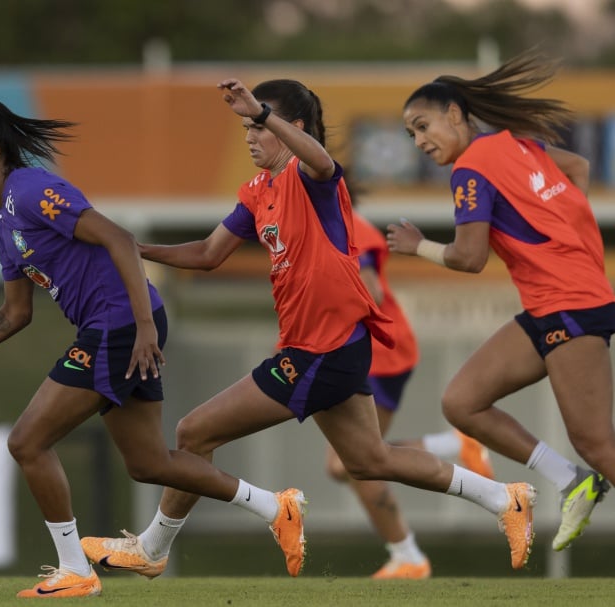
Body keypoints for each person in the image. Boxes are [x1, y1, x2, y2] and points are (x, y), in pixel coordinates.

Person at [81, 78, 537, 578]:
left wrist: (261, 113)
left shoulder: (312, 177)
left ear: (291, 127)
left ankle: (154, 548)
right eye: (245, 128)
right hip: (323, 349)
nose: (250, 137)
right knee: (369, 461)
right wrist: (132, 248)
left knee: (193, 432)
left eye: (258, 126)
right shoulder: (257, 192)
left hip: (322, 349)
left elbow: (322, 160)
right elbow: (208, 254)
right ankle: (503, 498)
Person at [0, 98, 306, 598]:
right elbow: (17, 313)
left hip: (118, 324)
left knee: (27, 442)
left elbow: (119, 238)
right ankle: (277, 509)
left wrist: (143, 325)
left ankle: (74, 569)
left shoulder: (30, 189)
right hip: (121, 325)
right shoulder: (3, 223)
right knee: (148, 464)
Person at [386, 48, 612, 553]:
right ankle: (573, 479)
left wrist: (416, 245)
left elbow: (469, 258)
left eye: (424, 126)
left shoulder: (470, 170)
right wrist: (567, 237)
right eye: (411, 135)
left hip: (568, 304)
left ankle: (582, 471)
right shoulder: (519, 146)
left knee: (599, 442)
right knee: (462, 402)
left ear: (454, 114)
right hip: (554, 303)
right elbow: (577, 167)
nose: (420, 141)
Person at [321, 208, 495, 579]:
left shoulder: (344, 222)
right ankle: (409, 551)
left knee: (350, 463)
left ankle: (409, 555)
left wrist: (319, 327)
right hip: (368, 353)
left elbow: (371, 291)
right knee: (349, 464)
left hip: (376, 354)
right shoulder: (315, 219)